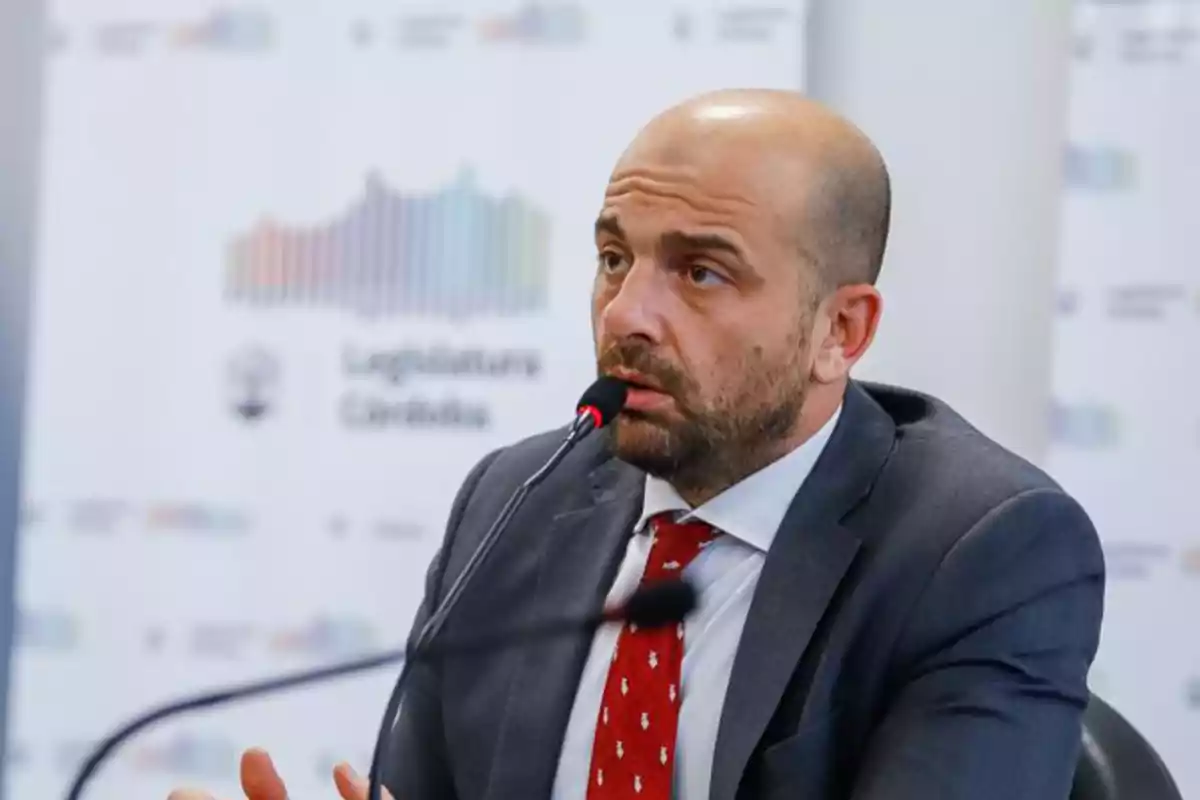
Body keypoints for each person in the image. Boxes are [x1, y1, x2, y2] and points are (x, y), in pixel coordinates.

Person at [169, 89, 1105, 800]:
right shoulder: (516, 502)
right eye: (615, 256)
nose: (626, 315)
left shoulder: (983, 550)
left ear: (842, 333)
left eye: (701, 272)